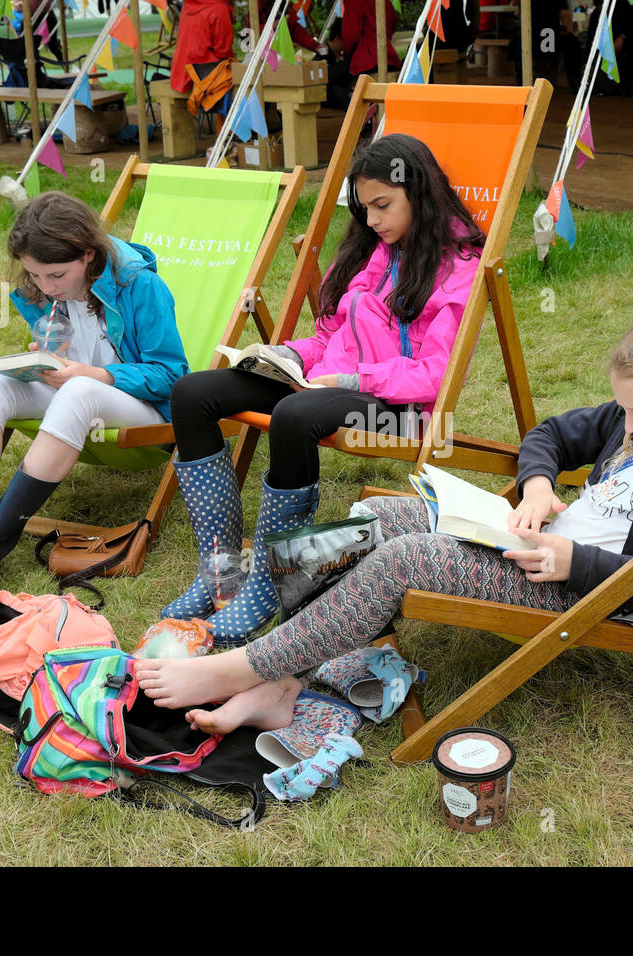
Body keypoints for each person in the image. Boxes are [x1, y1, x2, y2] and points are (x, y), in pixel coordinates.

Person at [136, 298, 633, 728]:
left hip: (583, 589)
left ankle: (238, 670)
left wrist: (575, 559)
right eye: (623, 413)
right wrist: (540, 487)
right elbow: (548, 435)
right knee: (362, 525)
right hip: (538, 539)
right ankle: (282, 683)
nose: (626, 428)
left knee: (404, 559)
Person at [161, 133, 484, 644]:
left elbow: (435, 375)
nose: (372, 220)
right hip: (325, 387)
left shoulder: (460, 268)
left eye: (383, 205)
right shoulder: (369, 252)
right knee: (193, 393)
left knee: (293, 414)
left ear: (418, 194)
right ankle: (220, 567)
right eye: (365, 208)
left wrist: (357, 379)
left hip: (398, 406)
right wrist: (291, 355)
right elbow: (330, 334)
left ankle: (270, 581)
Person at [0, 192, 186, 599]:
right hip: (75, 397)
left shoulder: (140, 285)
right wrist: (42, 360)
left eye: (56, 275)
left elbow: (171, 375)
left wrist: (95, 374)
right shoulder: (44, 291)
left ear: (89, 255)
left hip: (144, 413)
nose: (46, 287)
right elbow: (64, 356)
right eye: (36, 275)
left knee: (79, 389)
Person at [324, 0, 400, 109]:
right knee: (334, 77)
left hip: (366, 57)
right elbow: (392, 19)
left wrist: (346, 53)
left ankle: (357, 112)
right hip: (387, 56)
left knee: (327, 78)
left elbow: (351, 33)